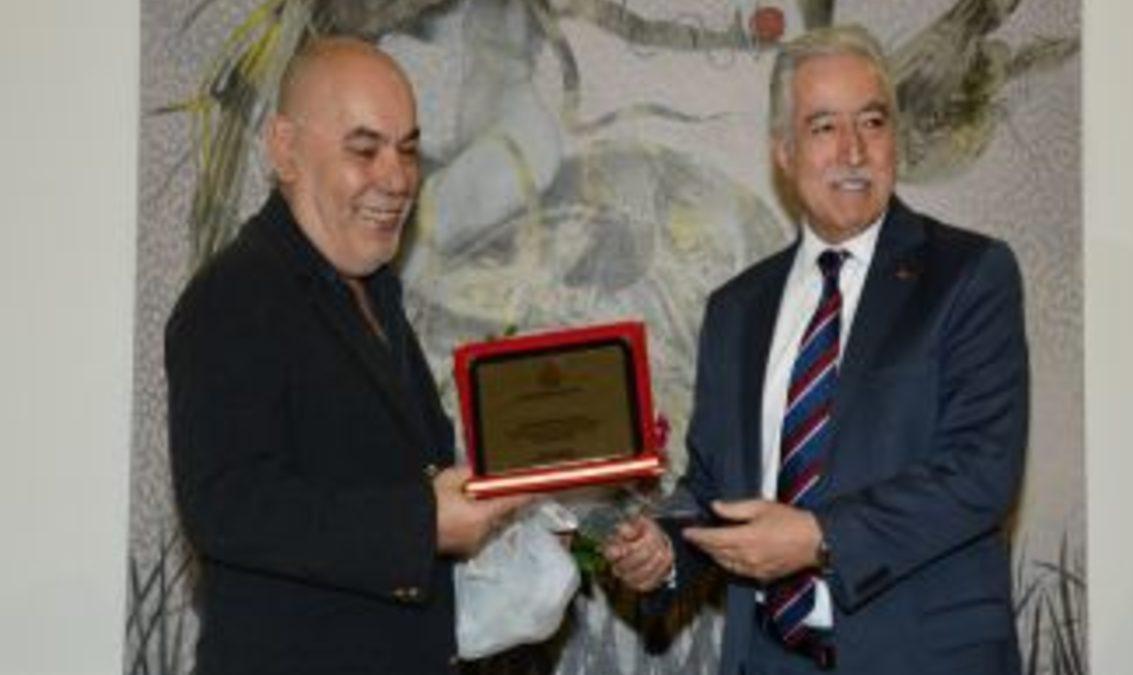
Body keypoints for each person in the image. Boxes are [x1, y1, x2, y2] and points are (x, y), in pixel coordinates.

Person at [605, 24, 1028, 675]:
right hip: (769, 658)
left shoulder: (969, 274)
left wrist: (818, 538)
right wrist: (664, 548)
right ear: (784, 151)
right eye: (824, 127)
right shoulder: (736, 309)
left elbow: (982, 469)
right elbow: (714, 485)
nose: (853, 150)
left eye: (872, 122)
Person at [165, 37, 527, 675]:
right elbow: (228, 506)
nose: (397, 177)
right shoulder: (234, 295)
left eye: (408, 150)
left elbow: (389, 475)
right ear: (285, 150)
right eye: (364, 149)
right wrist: (422, 524)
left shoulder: (373, 288)